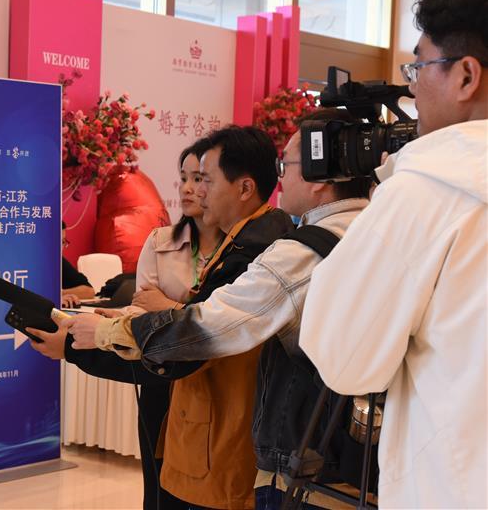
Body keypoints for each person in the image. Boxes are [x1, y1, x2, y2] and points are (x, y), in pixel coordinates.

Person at [68, 109, 373, 509]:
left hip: (297, 459)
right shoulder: (378, 232)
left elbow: (210, 327)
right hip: (356, 452)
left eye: (206, 180)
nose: (196, 192)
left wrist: (107, 334)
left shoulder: (292, 254)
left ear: (320, 177)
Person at [300, 0, 488, 507]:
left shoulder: (428, 192)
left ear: (466, 76)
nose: (411, 89)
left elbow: (344, 358)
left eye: (419, 66)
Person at [35, 126, 294, 509]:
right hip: (193, 413)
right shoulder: (241, 239)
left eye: (205, 180)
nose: (196, 191)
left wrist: (81, 345)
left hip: (219, 435)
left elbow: (190, 340)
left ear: (244, 188)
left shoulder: (251, 252)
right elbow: (166, 316)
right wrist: (124, 322)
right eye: (189, 179)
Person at [61, 221, 96, 307]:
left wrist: (60, 294)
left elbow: (89, 291)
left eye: (62, 242)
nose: (60, 247)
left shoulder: (59, 261)